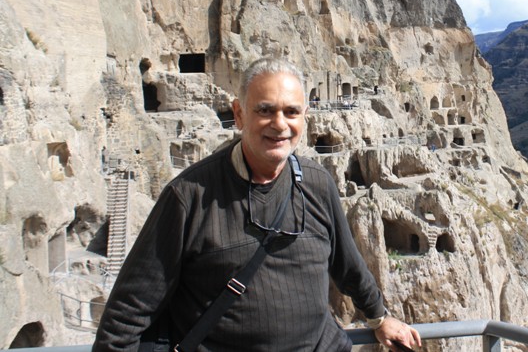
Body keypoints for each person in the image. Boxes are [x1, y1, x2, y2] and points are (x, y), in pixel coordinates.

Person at [93, 58, 421, 352]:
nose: (280, 124)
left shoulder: (317, 183)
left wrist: (379, 317)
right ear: (239, 114)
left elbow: (347, 265)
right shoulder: (190, 196)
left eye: (291, 112)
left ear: (304, 117)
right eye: (265, 110)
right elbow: (126, 315)